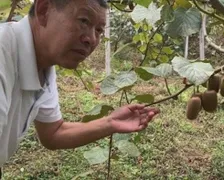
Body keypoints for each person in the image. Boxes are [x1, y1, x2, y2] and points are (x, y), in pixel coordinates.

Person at [0, 0, 160, 177]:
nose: (91, 39)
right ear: (44, 10)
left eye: (99, 30)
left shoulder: (44, 62)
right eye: (84, 21)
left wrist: (110, 123)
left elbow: (53, 133)